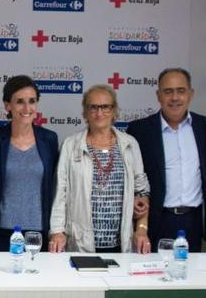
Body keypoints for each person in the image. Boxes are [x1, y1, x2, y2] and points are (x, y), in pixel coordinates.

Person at [49, 84, 151, 254]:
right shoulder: (71, 144)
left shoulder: (130, 144)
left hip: (121, 242)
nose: (99, 112)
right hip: (81, 243)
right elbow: (61, 192)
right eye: (93, 107)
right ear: (85, 112)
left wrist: (141, 229)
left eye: (105, 107)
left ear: (114, 111)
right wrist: (57, 231)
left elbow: (142, 193)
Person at [127, 68, 206, 252]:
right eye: (168, 91)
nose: (175, 98)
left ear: (191, 94)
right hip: (155, 220)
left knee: (190, 277)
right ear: (158, 95)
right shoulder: (140, 131)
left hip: (193, 220)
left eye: (181, 91)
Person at [0, 75, 59, 251]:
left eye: (32, 101)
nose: (27, 108)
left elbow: (55, 188)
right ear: (7, 105)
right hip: (0, 233)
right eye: (19, 102)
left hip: (38, 234)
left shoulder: (49, 139)